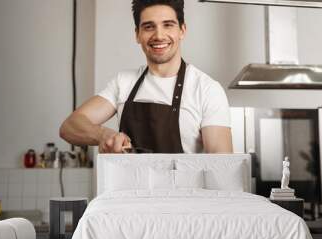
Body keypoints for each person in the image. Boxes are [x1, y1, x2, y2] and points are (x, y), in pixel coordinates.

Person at [60, 0, 233, 154]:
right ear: (137, 34)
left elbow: (221, 166)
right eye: (149, 27)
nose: (158, 35)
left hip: (183, 191)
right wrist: (104, 135)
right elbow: (70, 126)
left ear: (182, 30)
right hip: (129, 190)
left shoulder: (206, 89)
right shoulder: (124, 82)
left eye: (168, 25)